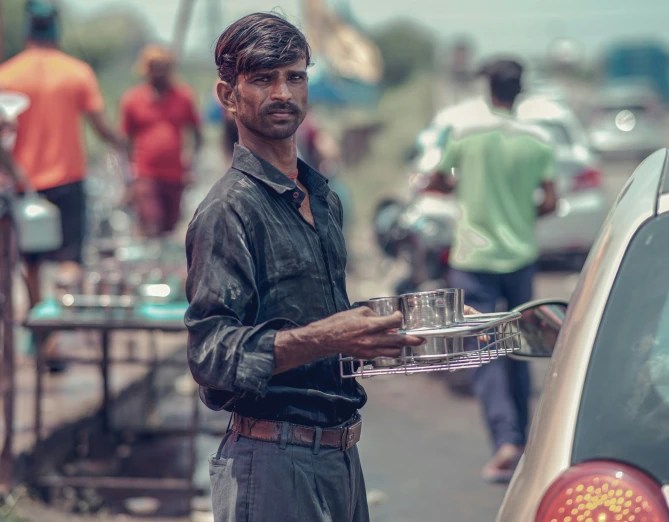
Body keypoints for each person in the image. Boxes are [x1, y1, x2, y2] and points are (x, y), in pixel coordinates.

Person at [184, 13, 440, 522]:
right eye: (262, 78)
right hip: (273, 462)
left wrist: (382, 329)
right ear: (228, 95)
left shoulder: (321, 198)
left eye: (295, 76)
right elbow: (211, 358)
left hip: (341, 457)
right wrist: (327, 338)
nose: (282, 92)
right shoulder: (229, 210)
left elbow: (319, 322)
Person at [431, 58, 558, 482]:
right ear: (519, 91)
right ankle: (525, 439)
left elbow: (442, 179)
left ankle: (506, 441)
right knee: (520, 346)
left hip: (473, 258)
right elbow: (551, 200)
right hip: (520, 255)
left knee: (484, 349)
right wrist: (522, 211)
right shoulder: (538, 140)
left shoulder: (465, 135)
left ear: (490, 91)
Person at [0, 0, 122, 311]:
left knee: (31, 263)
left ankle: (41, 332)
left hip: (23, 185)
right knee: (70, 260)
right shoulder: (77, 73)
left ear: (28, 30)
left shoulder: (7, 75)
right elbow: (100, 127)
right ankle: (61, 322)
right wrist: (122, 143)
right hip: (68, 179)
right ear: (56, 30)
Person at [120, 45, 202, 238]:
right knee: (151, 222)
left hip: (175, 174)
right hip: (145, 173)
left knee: (170, 227)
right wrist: (128, 178)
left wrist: (191, 166)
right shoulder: (133, 99)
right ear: (146, 69)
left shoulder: (183, 96)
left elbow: (197, 135)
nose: (158, 71)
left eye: (162, 66)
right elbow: (124, 141)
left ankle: (161, 267)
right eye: (154, 66)